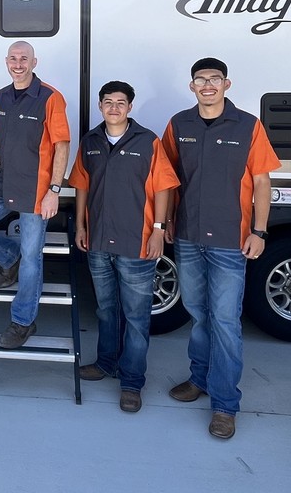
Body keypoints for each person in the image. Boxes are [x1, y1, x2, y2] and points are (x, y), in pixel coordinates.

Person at [162, 57, 281, 439]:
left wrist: (259, 232)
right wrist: (163, 224)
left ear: (226, 85)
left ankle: (225, 405)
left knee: (226, 322)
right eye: (201, 79)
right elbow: (166, 178)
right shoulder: (179, 125)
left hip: (231, 239)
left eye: (215, 79)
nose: (208, 85)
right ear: (192, 85)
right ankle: (200, 379)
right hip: (188, 237)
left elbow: (262, 183)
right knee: (198, 313)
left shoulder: (248, 125)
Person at [68, 81, 179, 413]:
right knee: (106, 309)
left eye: (120, 102)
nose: (113, 107)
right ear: (100, 106)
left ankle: (131, 382)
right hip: (98, 238)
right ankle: (105, 364)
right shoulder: (90, 142)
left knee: (136, 316)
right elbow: (82, 187)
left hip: (137, 241)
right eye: (107, 102)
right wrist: (81, 225)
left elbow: (163, 188)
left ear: (130, 107)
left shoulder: (148, 142)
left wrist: (159, 229)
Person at [0, 41, 70, 349]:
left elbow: (62, 146)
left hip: (37, 189)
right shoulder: (2, 96)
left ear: (35, 62)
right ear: (6, 62)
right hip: (4, 182)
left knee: (33, 259)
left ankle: (23, 322)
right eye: (13, 58)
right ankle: (9, 256)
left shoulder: (50, 97)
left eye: (24, 59)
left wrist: (54, 191)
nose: (18, 63)